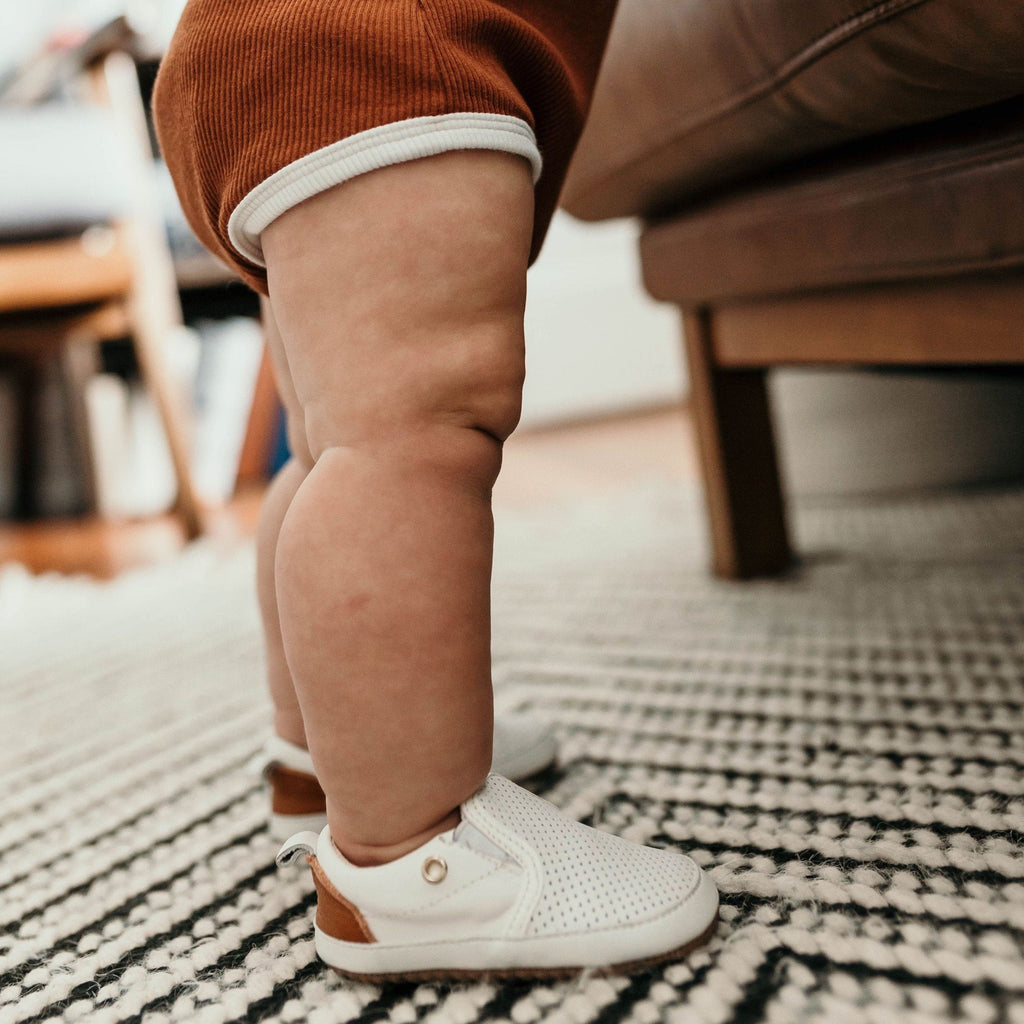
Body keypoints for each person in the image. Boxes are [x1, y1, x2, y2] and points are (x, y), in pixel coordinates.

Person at [153, 0, 718, 979]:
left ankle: (326, 760)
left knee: (338, 439)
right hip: (387, 42)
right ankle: (411, 851)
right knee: (405, 438)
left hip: (261, 55)